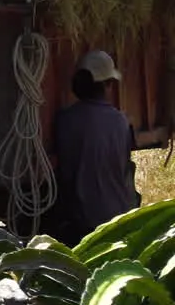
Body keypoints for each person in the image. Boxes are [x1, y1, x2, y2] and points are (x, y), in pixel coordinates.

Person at [51, 51, 138, 245]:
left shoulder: (64, 120)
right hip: (118, 218)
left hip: (80, 221)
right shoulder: (120, 122)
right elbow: (125, 169)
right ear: (107, 86)